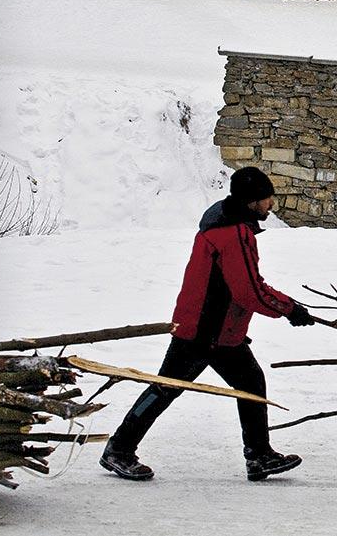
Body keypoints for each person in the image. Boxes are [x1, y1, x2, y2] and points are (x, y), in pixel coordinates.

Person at [99, 166, 316, 483]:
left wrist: (287, 308)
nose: (272, 204)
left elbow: (244, 288)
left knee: (250, 382)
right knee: (166, 388)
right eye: (268, 198)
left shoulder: (227, 227)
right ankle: (118, 449)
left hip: (221, 332)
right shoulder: (233, 234)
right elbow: (248, 290)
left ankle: (259, 455)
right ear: (252, 200)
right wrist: (289, 309)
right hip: (203, 332)